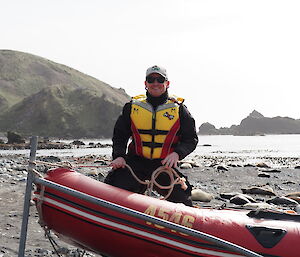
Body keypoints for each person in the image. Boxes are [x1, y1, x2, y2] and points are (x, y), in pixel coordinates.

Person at [104, 65, 198, 206]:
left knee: (183, 198)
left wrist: (177, 154)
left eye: (160, 79)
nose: (155, 83)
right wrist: (119, 156)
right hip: (135, 162)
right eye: (151, 79)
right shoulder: (132, 107)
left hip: (164, 164)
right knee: (111, 187)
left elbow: (191, 139)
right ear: (145, 83)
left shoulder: (179, 110)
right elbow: (120, 136)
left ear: (167, 83)